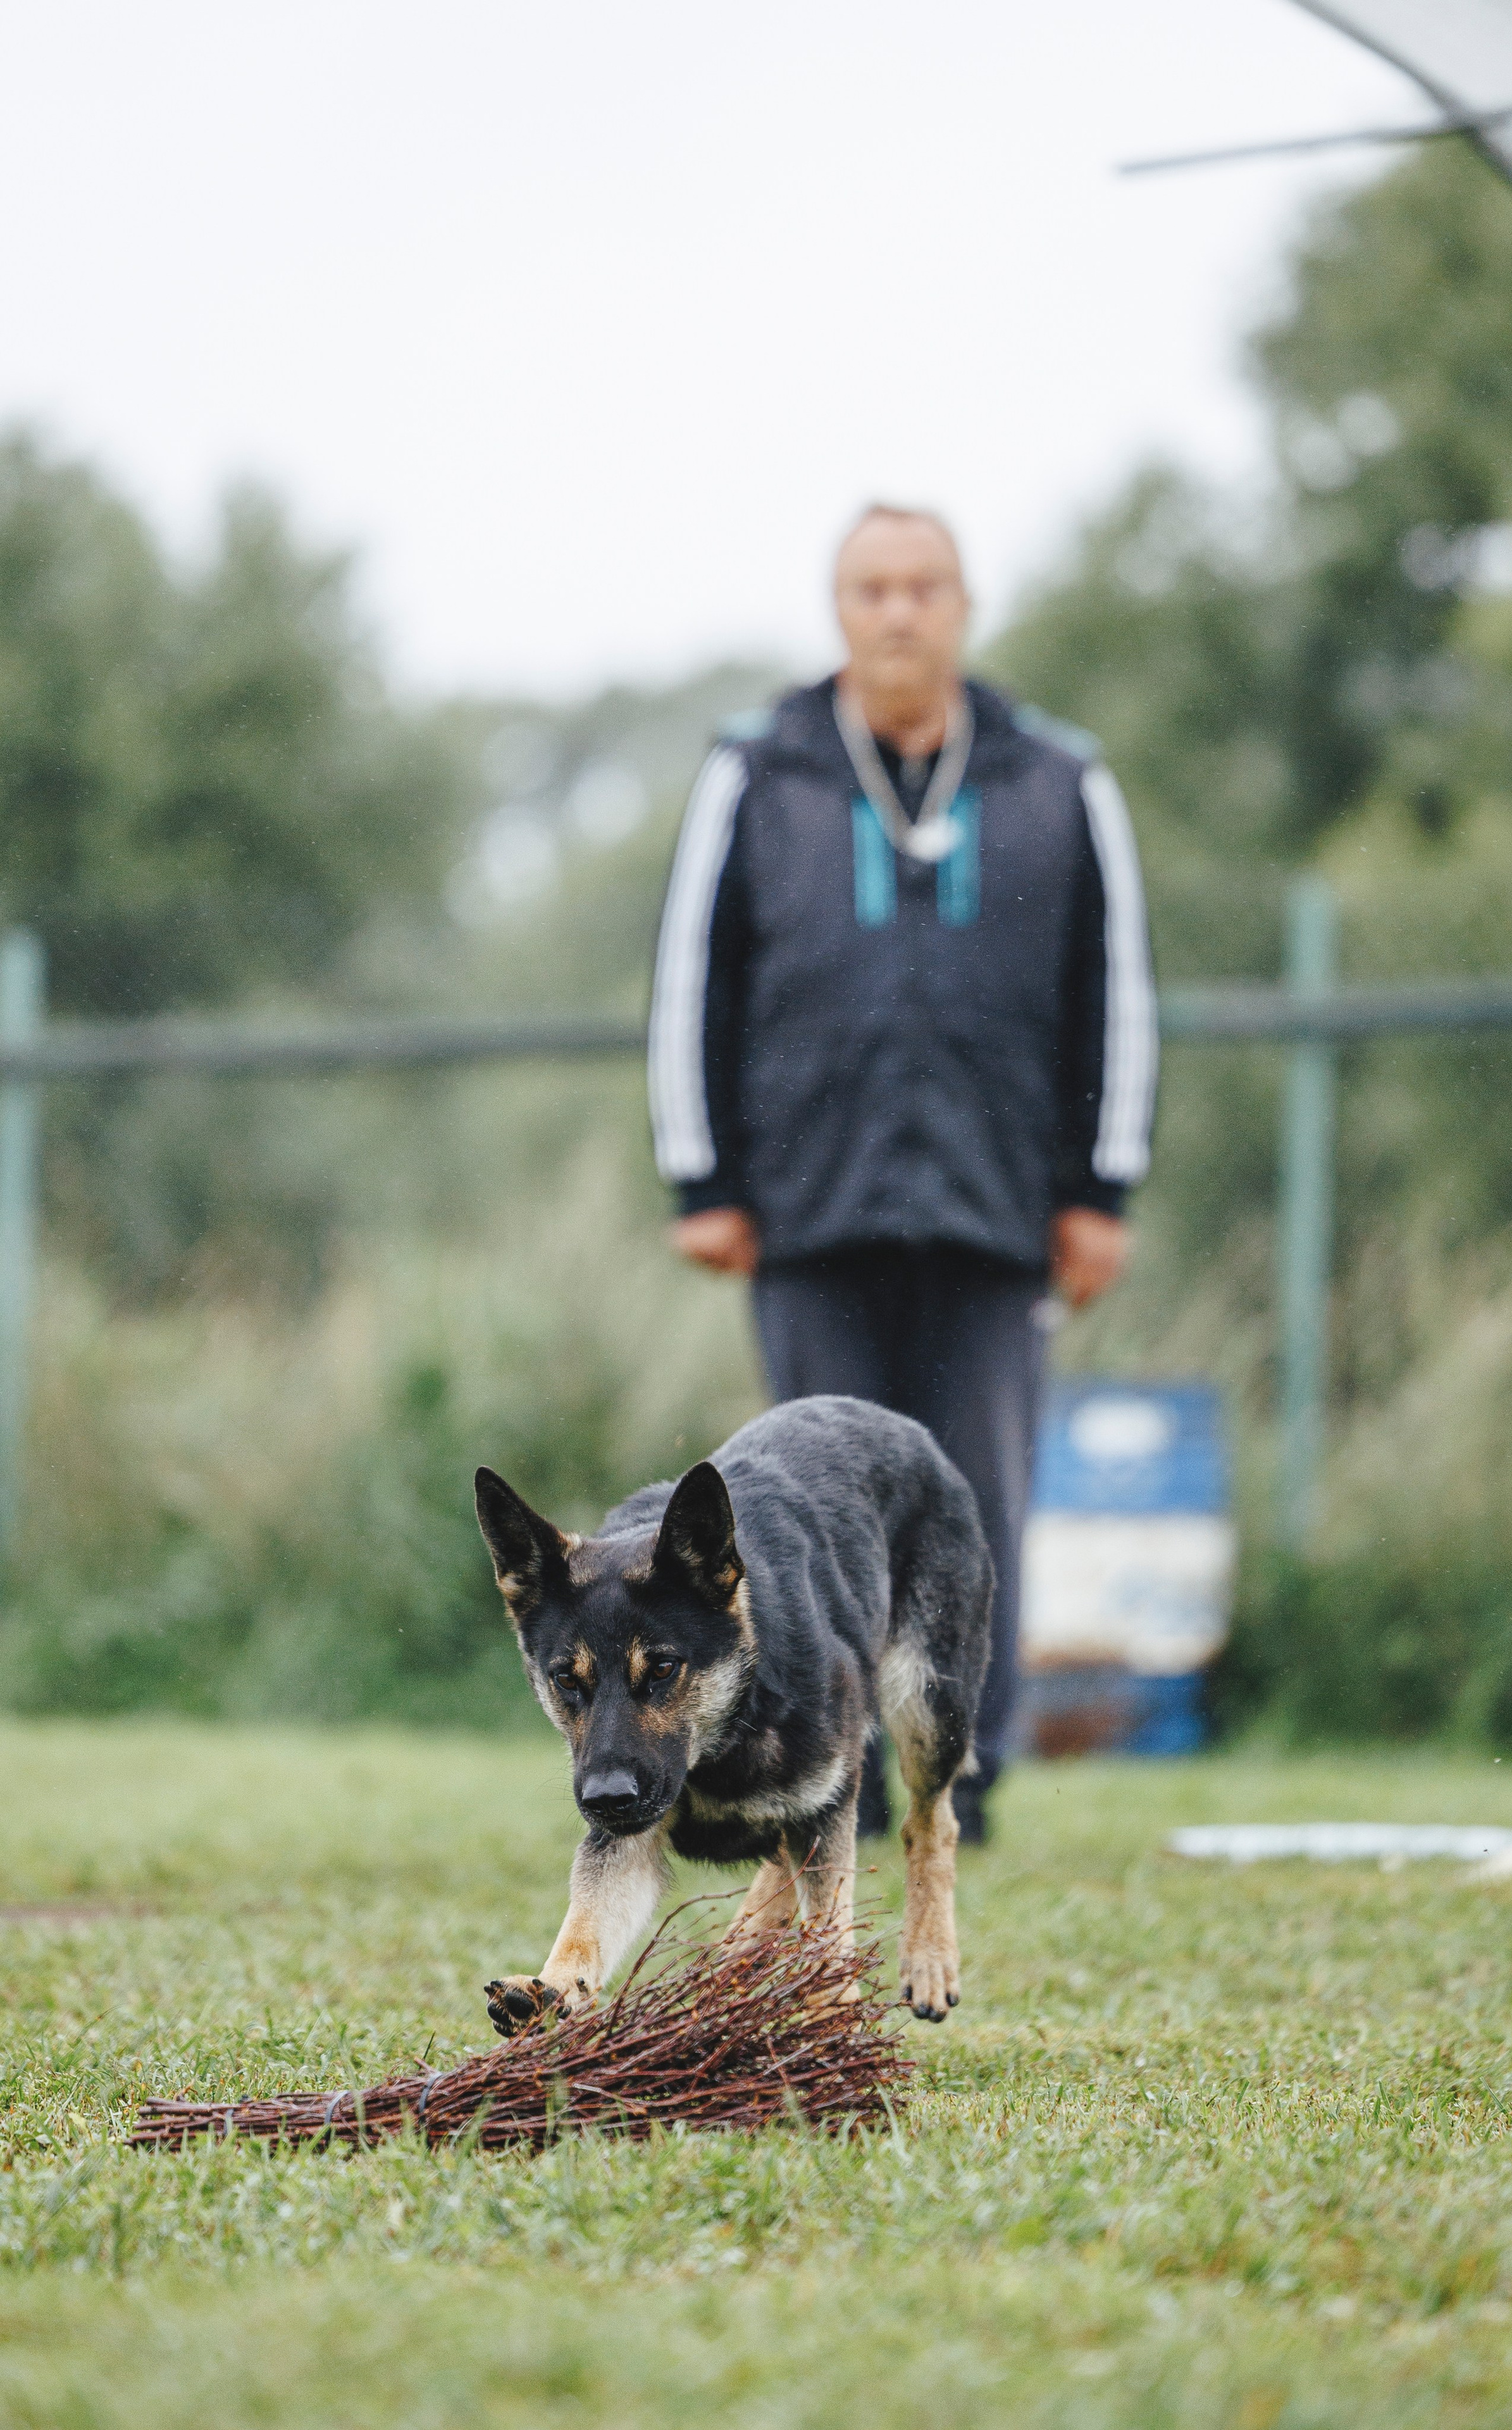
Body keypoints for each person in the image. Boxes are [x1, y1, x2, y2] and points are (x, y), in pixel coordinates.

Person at [647, 504, 1156, 1842]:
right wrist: (700, 1176)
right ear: (838, 607)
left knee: (974, 1502)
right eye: (871, 587)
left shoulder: (1054, 776)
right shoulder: (760, 769)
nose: (897, 611)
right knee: (808, 1503)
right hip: (814, 1203)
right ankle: (832, 1776)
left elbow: (1115, 992)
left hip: (995, 1212)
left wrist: (1098, 1192)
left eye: (923, 585)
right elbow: (694, 978)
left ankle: (956, 1780)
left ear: (963, 604)